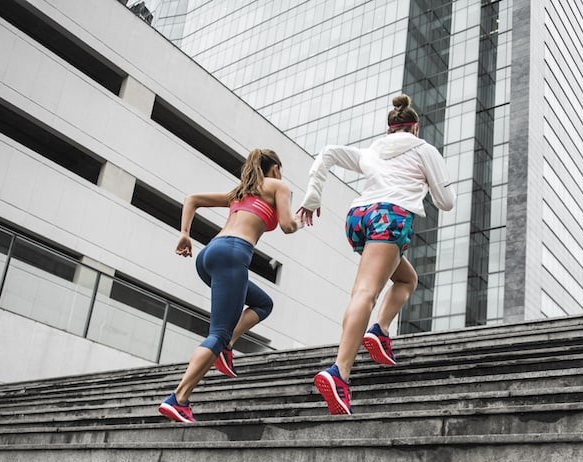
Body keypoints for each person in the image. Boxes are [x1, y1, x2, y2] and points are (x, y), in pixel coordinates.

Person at [295, 94, 455, 415]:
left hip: (359, 218)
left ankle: (379, 330)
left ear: (389, 128)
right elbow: (446, 201)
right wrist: (426, 180)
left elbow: (328, 153)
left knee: (406, 279)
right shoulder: (424, 150)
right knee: (366, 293)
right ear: (415, 128)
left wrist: (313, 195)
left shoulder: (371, 151)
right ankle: (338, 372)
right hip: (390, 217)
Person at [158, 148, 305, 423]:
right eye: (280, 169)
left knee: (263, 303)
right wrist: (299, 221)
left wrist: (185, 235)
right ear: (274, 168)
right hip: (234, 253)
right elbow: (286, 225)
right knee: (218, 332)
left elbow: (192, 199)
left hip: (210, 255)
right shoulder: (278, 186)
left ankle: (226, 347)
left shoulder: (241, 191)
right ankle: (178, 398)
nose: (282, 174)